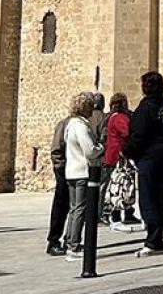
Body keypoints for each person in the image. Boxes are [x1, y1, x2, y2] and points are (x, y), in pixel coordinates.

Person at [123, 71, 163, 257]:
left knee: (148, 200)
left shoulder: (145, 109)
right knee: (160, 199)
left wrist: (127, 152)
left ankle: (153, 242)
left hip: (150, 158)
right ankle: (158, 239)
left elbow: (138, 136)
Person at [61, 92, 99, 255]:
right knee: (80, 209)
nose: (93, 110)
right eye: (90, 106)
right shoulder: (81, 126)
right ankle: (74, 244)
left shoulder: (70, 125)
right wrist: (101, 148)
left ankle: (70, 240)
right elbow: (90, 151)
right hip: (83, 172)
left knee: (74, 209)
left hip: (71, 172)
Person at [102, 92, 139, 229]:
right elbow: (128, 132)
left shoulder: (112, 117)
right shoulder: (119, 118)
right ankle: (118, 213)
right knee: (121, 184)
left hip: (116, 154)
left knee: (122, 184)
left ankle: (125, 212)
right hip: (120, 156)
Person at [45, 106, 74, 256]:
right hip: (65, 172)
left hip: (76, 172)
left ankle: (71, 239)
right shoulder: (65, 124)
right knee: (61, 206)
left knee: (75, 208)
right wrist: (61, 168)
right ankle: (53, 240)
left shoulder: (82, 123)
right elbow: (56, 149)